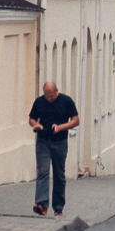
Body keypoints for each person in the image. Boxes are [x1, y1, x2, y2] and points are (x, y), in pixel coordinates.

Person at [29, 80, 79, 216]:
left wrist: (60, 127)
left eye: (51, 96)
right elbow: (31, 118)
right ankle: (41, 205)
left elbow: (76, 120)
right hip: (43, 141)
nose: (49, 99)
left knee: (59, 174)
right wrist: (35, 125)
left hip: (60, 142)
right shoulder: (39, 102)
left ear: (57, 91)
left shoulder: (66, 101)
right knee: (43, 172)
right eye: (47, 96)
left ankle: (58, 207)